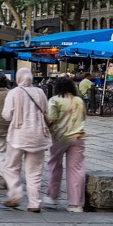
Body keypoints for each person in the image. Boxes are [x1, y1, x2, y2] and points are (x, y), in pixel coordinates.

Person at [1, 67, 51, 212]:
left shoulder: (14, 93)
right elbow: (46, 110)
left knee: (11, 167)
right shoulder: (40, 92)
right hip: (38, 136)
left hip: (18, 135)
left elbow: (6, 115)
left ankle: (15, 196)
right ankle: (34, 203)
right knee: (35, 171)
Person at [44, 75, 86, 213]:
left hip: (59, 137)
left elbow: (51, 118)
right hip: (78, 137)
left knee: (54, 165)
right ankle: (76, 204)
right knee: (76, 170)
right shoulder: (79, 101)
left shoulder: (55, 100)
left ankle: (53, 195)